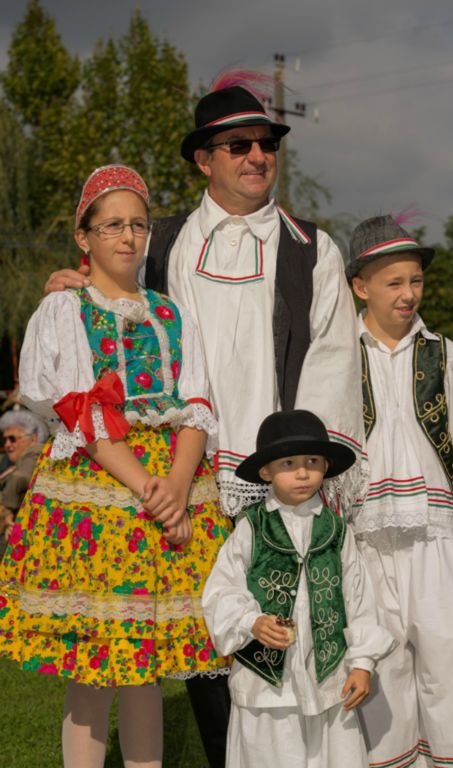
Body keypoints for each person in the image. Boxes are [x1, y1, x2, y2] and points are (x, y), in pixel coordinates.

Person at [43, 81, 365, 764]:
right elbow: (114, 299)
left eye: (267, 143)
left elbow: (333, 365)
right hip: (180, 478)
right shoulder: (160, 241)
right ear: (203, 159)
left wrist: (302, 467)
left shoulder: (312, 250)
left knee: (290, 642)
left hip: (278, 478)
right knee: (205, 640)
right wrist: (71, 282)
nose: (257, 155)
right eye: (238, 145)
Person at [0, 164, 232, 768]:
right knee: (94, 667)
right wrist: (149, 487)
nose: (128, 237)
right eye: (112, 226)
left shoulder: (171, 313)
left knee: (144, 666)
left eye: (138, 225)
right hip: (98, 489)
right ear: (84, 237)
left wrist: (175, 487)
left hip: (170, 488)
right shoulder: (65, 309)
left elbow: (196, 405)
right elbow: (79, 410)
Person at [345, 215, 453, 768]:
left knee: (451, 665)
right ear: (360, 286)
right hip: (366, 536)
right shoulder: (341, 353)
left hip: (433, 532)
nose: (408, 294)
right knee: (381, 674)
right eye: (394, 282)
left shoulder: (443, 354)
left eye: (416, 281)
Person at [202, 409, 395, 768]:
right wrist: (251, 621)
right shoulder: (251, 528)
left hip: (328, 681)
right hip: (267, 686)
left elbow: (359, 598)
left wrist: (362, 663)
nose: (303, 473)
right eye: (288, 463)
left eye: (312, 461)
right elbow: (222, 590)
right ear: (266, 472)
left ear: (326, 466)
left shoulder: (337, 531)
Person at [0, 409, 48, 553]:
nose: (7, 444)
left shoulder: (34, 453)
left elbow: (19, 479)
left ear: (33, 439)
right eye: (4, 440)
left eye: (12, 439)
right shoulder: (16, 463)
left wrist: (7, 512)